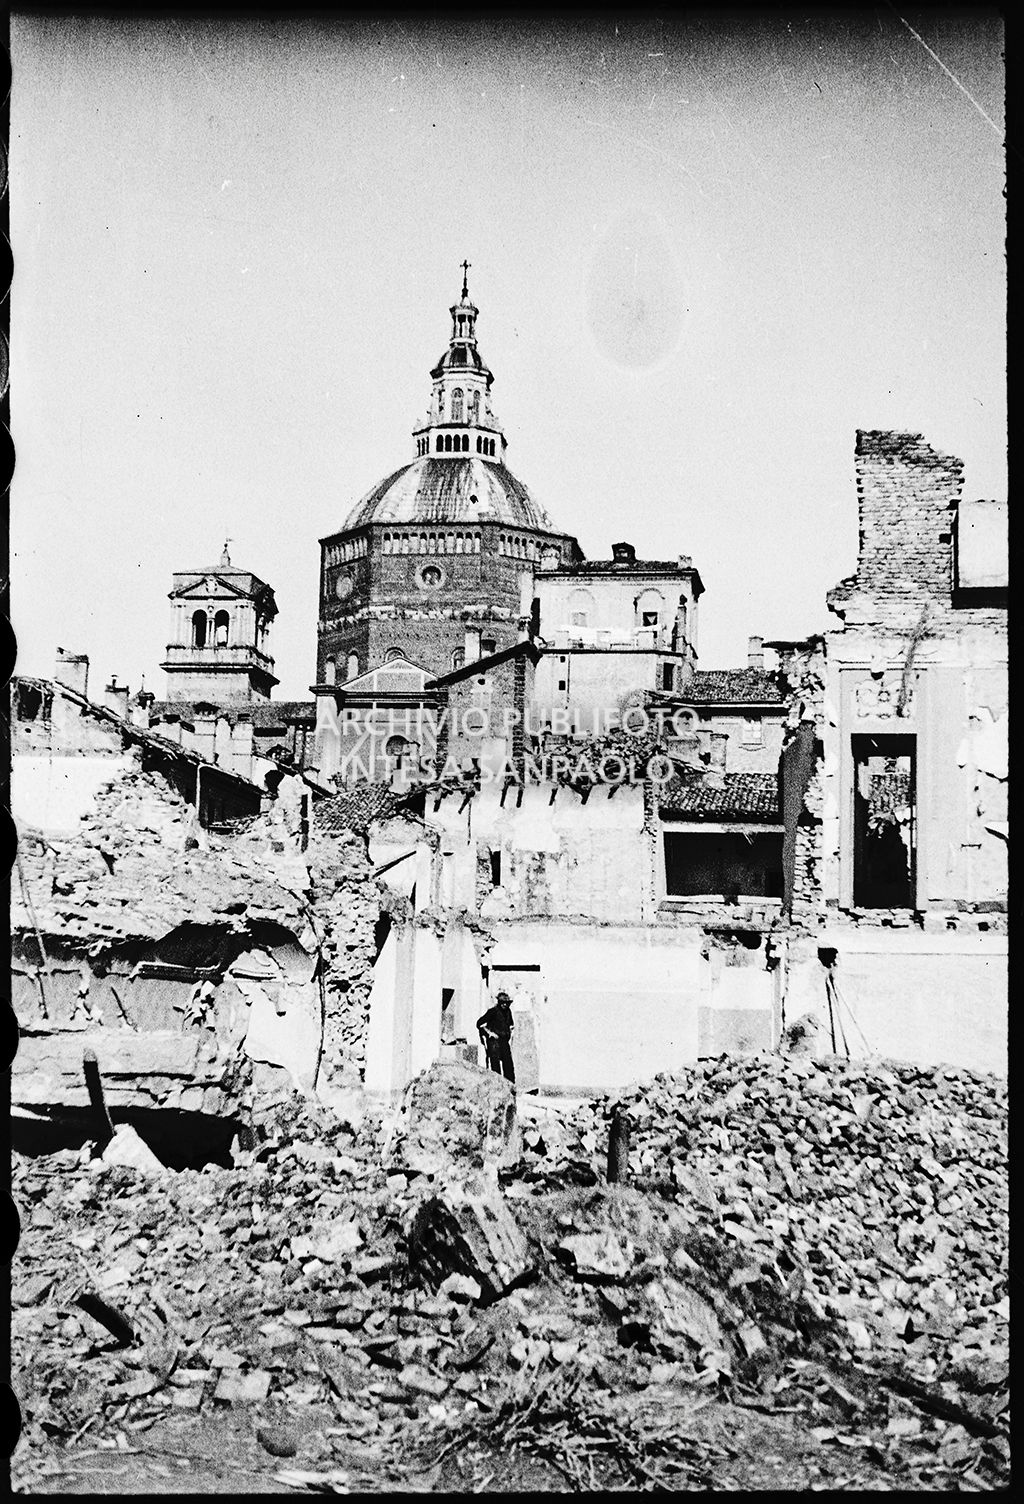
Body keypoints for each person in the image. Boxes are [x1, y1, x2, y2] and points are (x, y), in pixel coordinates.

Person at [476, 992, 516, 1083]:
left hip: (505, 1042)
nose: (505, 1004)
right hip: (494, 1042)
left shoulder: (508, 1012)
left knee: (508, 1065)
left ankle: (510, 1088)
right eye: (502, 1002)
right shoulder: (492, 1011)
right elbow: (479, 1023)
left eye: (507, 1003)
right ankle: (497, 1088)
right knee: (495, 1066)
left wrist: (510, 1032)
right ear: (499, 1002)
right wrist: (489, 1032)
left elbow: (511, 1025)